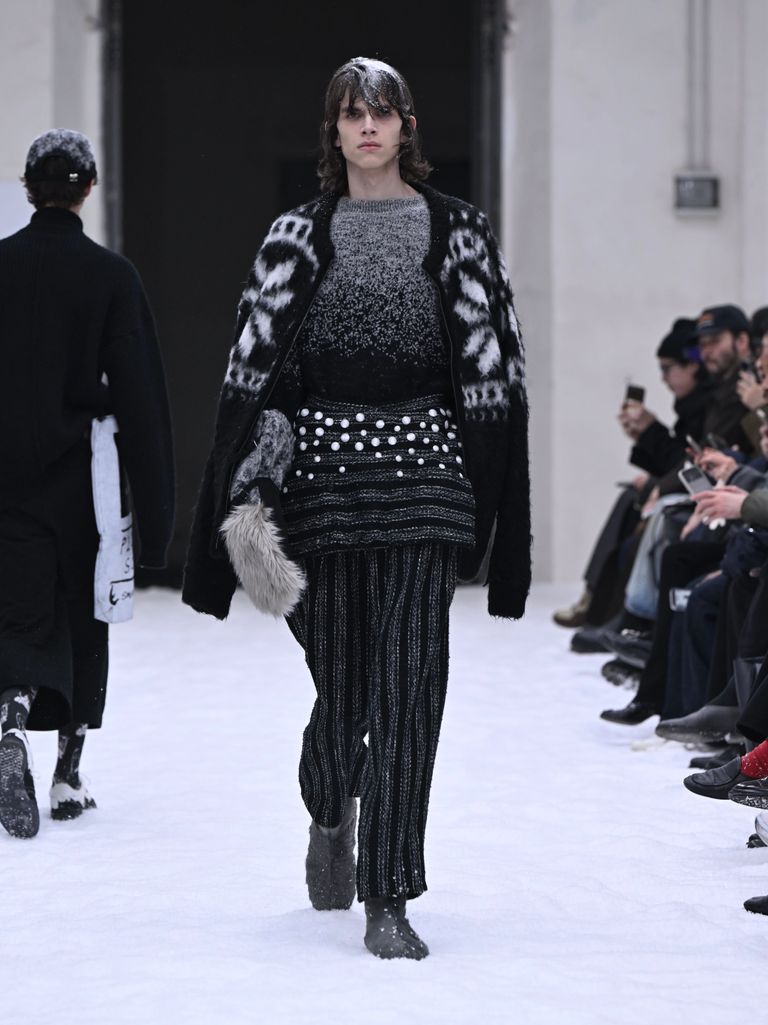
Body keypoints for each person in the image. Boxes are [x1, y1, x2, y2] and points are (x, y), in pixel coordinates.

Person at [182, 57, 530, 960]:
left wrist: (500, 508)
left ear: (407, 125)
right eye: (351, 113)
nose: (368, 125)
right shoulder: (296, 234)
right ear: (333, 130)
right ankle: (330, 804)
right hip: (325, 479)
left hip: (426, 474)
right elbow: (261, 376)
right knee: (343, 694)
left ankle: (389, 893)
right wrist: (255, 479)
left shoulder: (460, 231)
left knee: (413, 685)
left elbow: (497, 373)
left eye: (382, 111)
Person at [0, 130, 174, 839]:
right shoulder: (111, 277)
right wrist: (157, 515)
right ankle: (68, 774)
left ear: (28, 187)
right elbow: (140, 396)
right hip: (84, 477)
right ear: (89, 189)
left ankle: (11, 718)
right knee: (84, 610)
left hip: (6, 477)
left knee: (18, 610)